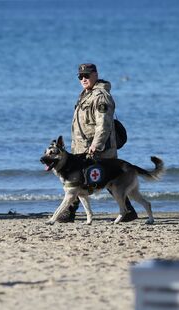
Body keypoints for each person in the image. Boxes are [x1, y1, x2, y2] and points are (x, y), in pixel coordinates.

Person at [57, 63, 138, 222]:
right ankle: (127, 211)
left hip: (98, 149)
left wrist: (97, 144)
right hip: (82, 148)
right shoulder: (86, 94)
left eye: (87, 75)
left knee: (104, 179)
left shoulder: (101, 96)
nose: (83, 79)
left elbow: (104, 124)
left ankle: (69, 212)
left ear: (95, 74)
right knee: (91, 179)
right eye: (80, 76)